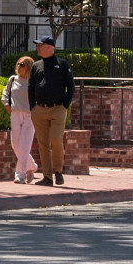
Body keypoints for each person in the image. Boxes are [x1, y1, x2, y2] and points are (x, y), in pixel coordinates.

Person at [28, 32, 77, 185]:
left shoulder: (62, 64)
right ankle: (47, 177)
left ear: (50, 47)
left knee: (56, 139)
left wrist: (64, 105)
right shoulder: (36, 66)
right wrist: (32, 107)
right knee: (43, 145)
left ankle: (58, 171)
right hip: (39, 110)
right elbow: (30, 87)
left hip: (57, 109)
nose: (37, 47)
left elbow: (71, 86)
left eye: (40, 45)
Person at [0, 56, 37, 184]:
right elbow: (5, 93)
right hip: (15, 114)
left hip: (30, 116)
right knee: (15, 144)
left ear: (28, 67)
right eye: (18, 64)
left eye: (22, 65)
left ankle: (19, 175)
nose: (19, 66)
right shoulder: (13, 79)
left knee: (24, 146)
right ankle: (31, 167)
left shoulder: (33, 81)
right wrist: (7, 106)